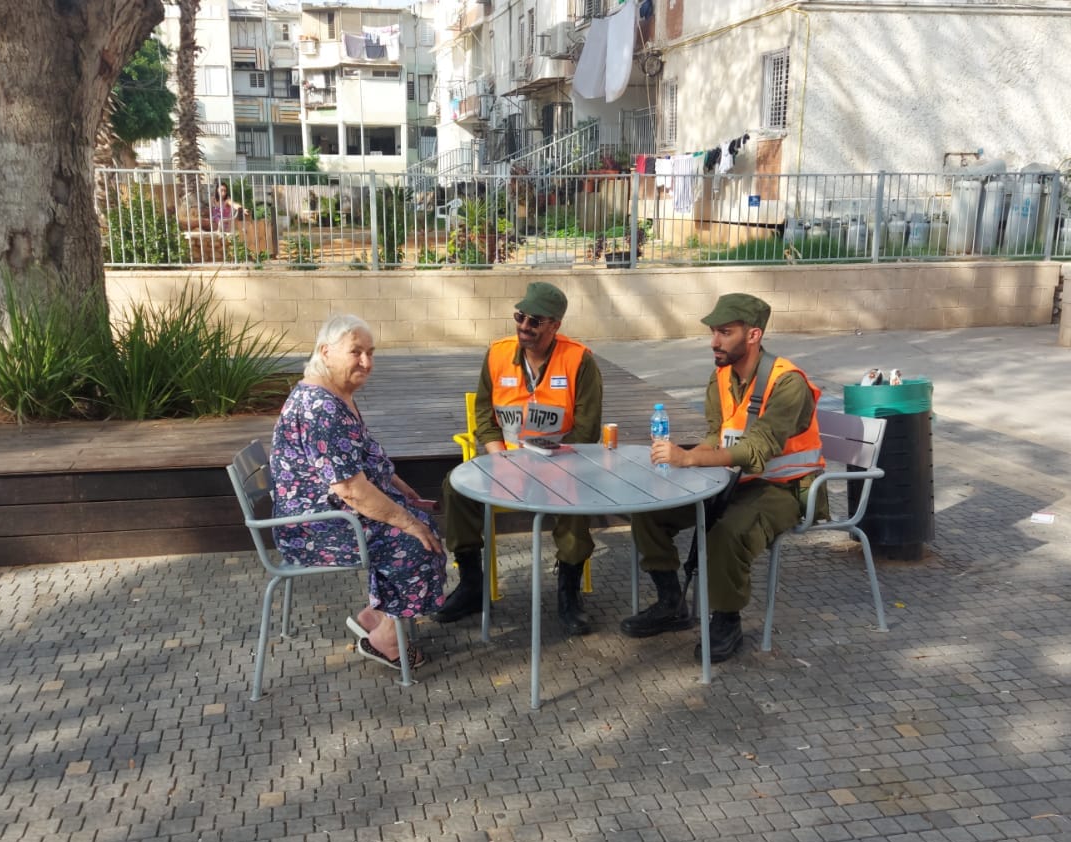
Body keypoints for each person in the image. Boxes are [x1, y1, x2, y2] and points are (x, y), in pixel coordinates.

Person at [621, 293, 825, 663]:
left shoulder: (787, 383)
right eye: (713, 332)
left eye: (725, 332)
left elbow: (758, 448)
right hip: (733, 480)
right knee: (651, 511)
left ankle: (726, 620)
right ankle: (671, 603)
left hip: (785, 488)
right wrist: (686, 464)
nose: (713, 342)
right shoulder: (721, 377)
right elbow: (720, 434)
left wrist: (692, 458)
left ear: (754, 336)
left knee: (727, 533)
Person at [270, 315, 447, 670]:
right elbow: (351, 489)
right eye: (356, 352)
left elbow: (363, 460)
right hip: (315, 528)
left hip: (333, 511)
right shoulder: (321, 409)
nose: (366, 363)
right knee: (417, 543)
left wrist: (402, 490)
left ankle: (375, 617)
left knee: (420, 525)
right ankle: (384, 642)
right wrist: (409, 522)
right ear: (325, 352)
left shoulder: (335, 394)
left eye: (371, 353)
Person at [435, 282, 604, 635]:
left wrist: (550, 462)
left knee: (574, 502)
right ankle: (471, 585)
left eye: (535, 321)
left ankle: (569, 591)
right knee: (454, 487)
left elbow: (587, 429)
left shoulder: (579, 360)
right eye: (520, 316)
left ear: (555, 325)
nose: (524, 326)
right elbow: (483, 410)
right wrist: (497, 454)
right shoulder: (497, 354)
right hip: (506, 463)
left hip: (562, 464)